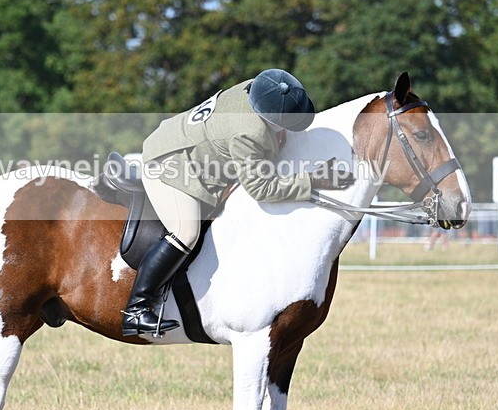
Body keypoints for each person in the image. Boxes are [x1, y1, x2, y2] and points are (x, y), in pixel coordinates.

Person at [121, 69, 355, 336]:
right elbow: (261, 187)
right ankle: (136, 309)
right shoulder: (250, 132)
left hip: (186, 140)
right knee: (186, 232)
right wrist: (312, 181)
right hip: (170, 162)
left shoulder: (260, 86)